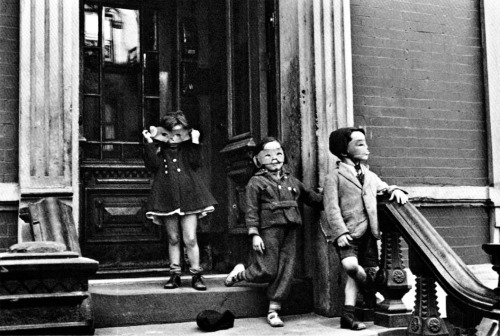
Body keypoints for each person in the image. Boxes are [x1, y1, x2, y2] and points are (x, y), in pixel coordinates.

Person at [224, 137, 323, 327]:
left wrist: (333, 198)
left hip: (291, 228)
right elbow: (251, 210)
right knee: (268, 269)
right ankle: (242, 274)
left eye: (278, 153)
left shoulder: (292, 181)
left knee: (286, 268)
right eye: (268, 155)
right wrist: (254, 234)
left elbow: (312, 198)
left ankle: (274, 310)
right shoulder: (256, 182)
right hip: (269, 229)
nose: (274, 158)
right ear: (258, 160)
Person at [322, 127, 408, 330]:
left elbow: (383, 187)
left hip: (369, 233)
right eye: (360, 144)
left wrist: (394, 189)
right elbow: (331, 208)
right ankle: (369, 289)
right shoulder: (333, 177)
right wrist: (340, 232)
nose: (366, 148)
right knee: (351, 267)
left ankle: (348, 316)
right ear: (344, 151)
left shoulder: (369, 175)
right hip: (348, 233)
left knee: (361, 272)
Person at [142, 111, 217, 291]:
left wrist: (196, 141)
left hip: (189, 196)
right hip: (166, 196)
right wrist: (149, 142)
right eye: (170, 133)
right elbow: (152, 165)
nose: (174, 138)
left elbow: (196, 163)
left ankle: (196, 275)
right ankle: (174, 274)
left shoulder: (188, 148)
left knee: (190, 238)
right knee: (173, 237)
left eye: (179, 133)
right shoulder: (160, 150)